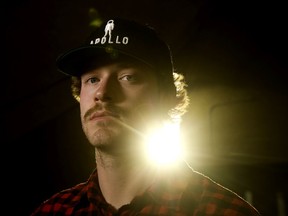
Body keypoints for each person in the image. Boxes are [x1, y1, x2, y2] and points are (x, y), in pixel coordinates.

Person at [31, 17, 261, 215]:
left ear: (166, 96)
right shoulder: (54, 212)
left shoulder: (221, 212)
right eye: (92, 79)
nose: (102, 92)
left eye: (128, 77)